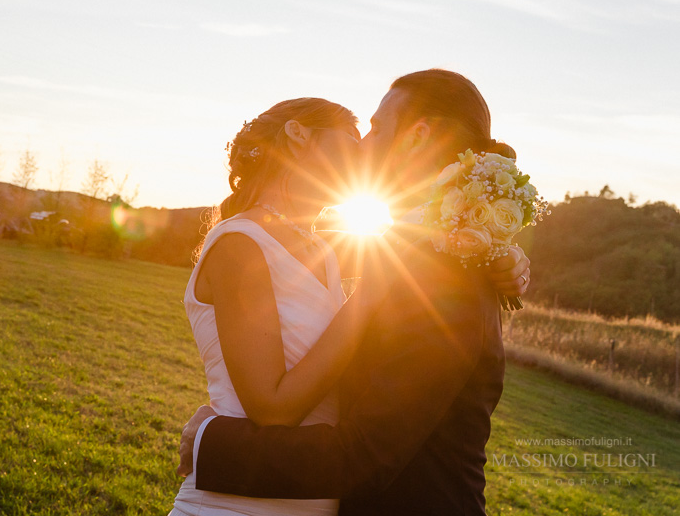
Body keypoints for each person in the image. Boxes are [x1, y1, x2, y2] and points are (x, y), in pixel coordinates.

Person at [171, 86, 529, 516]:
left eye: (374, 130)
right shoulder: (250, 244)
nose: (363, 148)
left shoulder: (425, 267)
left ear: (418, 135)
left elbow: (366, 453)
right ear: (299, 135)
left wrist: (506, 254)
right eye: (355, 135)